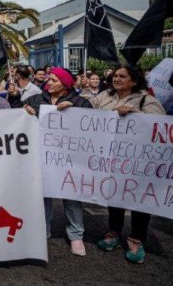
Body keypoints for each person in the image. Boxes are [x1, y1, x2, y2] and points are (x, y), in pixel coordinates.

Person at [92, 65, 165, 264]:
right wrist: (69, 106)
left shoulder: (146, 100)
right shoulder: (103, 98)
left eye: (122, 76)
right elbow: (85, 113)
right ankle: (113, 232)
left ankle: (136, 239)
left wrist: (136, 114)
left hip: (138, 162)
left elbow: (161, 125)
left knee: (139, 199)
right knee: (114, 196)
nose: (117, 78)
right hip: (111, 159)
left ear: (134, 80)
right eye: (115, 75)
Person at [16, 67, 92, 257]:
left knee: (71, 198)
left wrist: (74, 111)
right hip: (41, 156)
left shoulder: (80, 102)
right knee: (43, 197)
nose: (49, 83)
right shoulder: (36, 99)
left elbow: (91, 122)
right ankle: (44, 231)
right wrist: (26, 111)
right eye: (49, 79)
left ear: (65, 85)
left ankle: (76, 236)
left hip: (69, 159)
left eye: (54, 80)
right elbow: (17, 116)